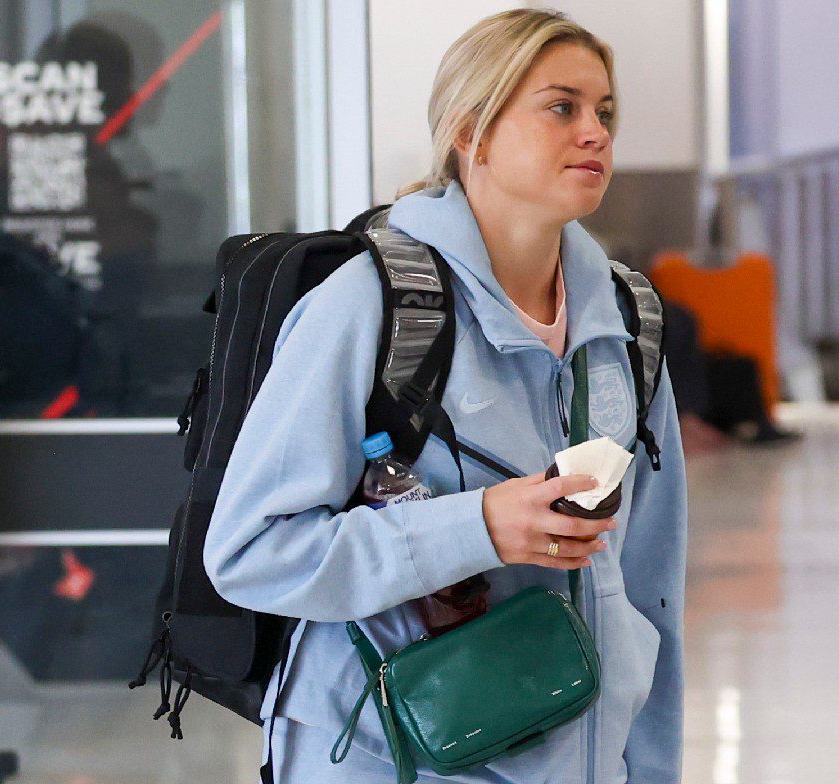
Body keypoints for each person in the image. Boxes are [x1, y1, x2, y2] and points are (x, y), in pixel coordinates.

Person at [203, 9, 686, 782]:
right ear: (473, 133)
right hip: (379, 756)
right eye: (561, 107)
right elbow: (252, 554)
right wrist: (477, 528)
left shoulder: (626, 324)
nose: (594, 132)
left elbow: (652, 590)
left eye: (605, 113)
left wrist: (651, 769)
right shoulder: (366, 306)